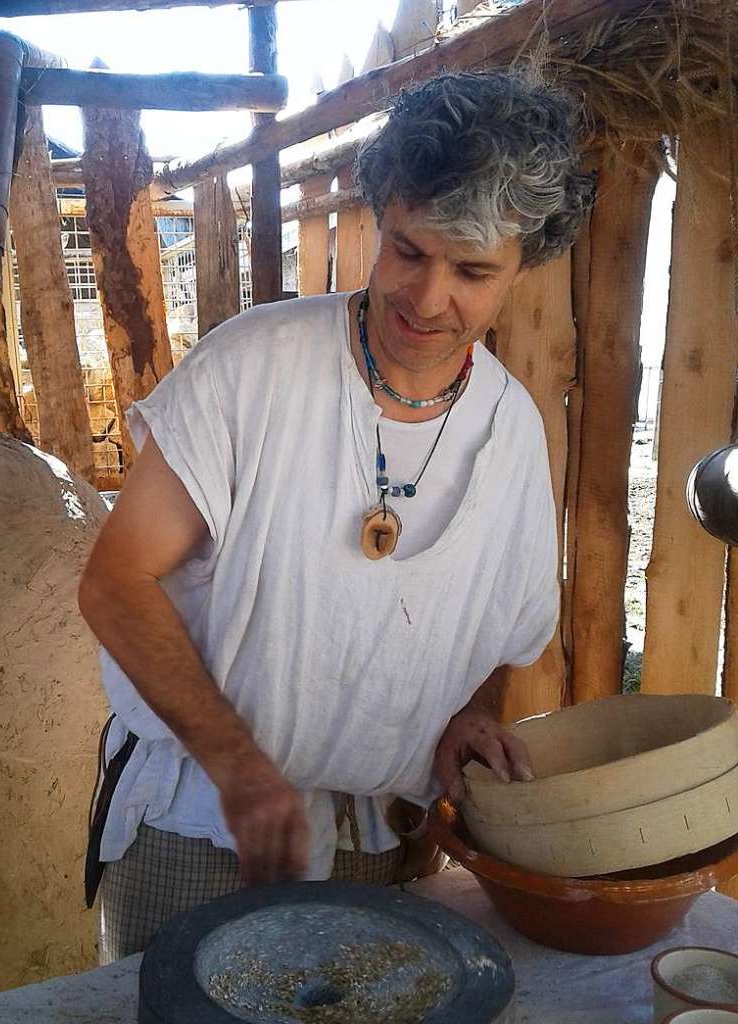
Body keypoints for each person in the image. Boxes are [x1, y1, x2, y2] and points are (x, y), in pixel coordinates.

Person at [78, 69, 594, 962]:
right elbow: (116, 583)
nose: (429, 300)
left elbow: (490, 630)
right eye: (407, 251)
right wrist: (238, 766)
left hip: (388, 842)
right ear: (378, 219)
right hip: (205, 824)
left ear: (525, 264)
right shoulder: (256, 367)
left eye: (473, 271)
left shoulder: (509, 427)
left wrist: (468, 717)